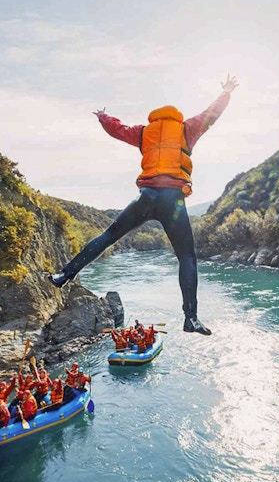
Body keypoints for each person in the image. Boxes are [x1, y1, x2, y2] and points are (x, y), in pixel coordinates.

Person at [48, 74, 239, 335]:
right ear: (175, 116)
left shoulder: (144, 132)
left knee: (108, 236)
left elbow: (118, 129)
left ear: (156, 117)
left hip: (146, 197)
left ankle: (64, 275)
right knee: (186, 257)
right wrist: (226, 92)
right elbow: (212, 113)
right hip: (173, 201)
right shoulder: (186, 128)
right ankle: (190, 318)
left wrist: (103, 117)